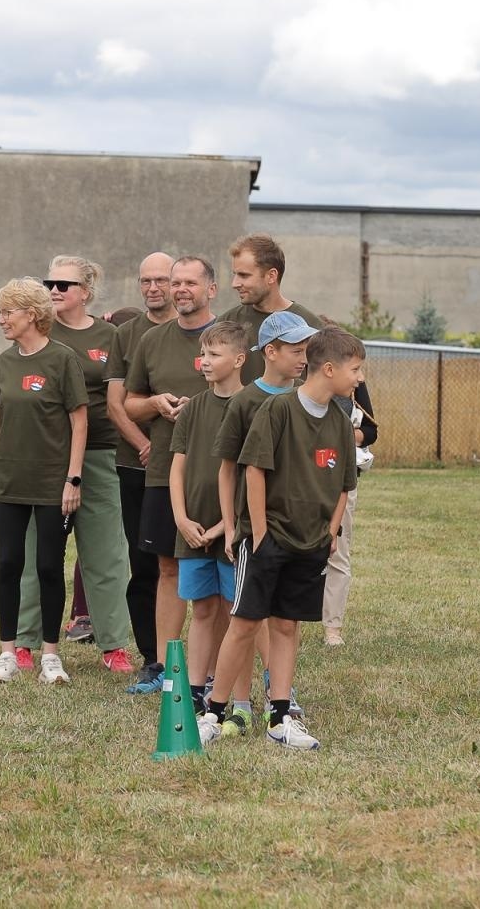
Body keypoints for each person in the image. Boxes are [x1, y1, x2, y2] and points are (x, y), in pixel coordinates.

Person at [202, 326, 363, 750]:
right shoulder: (277, 411)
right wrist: (258, 532)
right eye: (355, 369)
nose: (360, 378)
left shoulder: (341, 421)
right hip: (266, 541)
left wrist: (329, 533)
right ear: (328, 368)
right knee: (245, 623)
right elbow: (253, 469)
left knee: (287, 627)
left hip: (311, 545)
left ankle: (280, 719)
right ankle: (213, 715)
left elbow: (345, 484)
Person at [10, 257, 135, 674]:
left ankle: (114, 644)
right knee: (35, 553)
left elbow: (123, 392)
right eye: (50, 282)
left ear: (86, 290)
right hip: (44, 458)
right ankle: (26, 642)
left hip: (99, 453)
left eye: (65, 283)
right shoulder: (35, 334)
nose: (56, 289)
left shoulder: (110, 335)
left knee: (106, 554)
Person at [211, 310, 317, 732]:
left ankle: (281, 699)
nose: (303, 359)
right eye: (296, 350)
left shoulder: (310, 400)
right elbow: (227, 469)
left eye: (307, 351)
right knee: (247, 618)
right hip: (255, 531)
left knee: (287, 620)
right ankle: (229, 704)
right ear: (269, 352)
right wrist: (231, 525)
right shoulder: (245, 402)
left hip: (297, 530)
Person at [0, 278, 88, 685]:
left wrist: (72, 478)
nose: (2, 320)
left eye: (7, 312)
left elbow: (80, 422)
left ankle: (50, 656)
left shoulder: (63, 360)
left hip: (52, 483)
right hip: (9, 480)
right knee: (8, 564)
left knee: (47, 565)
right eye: (0, 312)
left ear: (32, 314)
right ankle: (7, 653)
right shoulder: (5, 362)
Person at [121, 255, 219, 694]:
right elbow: (129, 403)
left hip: (218, 474)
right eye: (175, 282)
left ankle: (209, 669)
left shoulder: (230, 341)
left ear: (210, 290)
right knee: (166, 567)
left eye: (189, 283)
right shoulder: (152, 340)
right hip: (164, 471)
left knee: (218, 571)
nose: (180, 289)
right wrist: (157, 404)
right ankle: (162, 666)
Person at [168, 320, 246, 711]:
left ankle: (229, 691)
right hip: (193, 529)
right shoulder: (194, 407)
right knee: (201, 610)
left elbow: (250, 478)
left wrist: (223, 527)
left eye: (214, 355)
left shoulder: (253, 406)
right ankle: (195, 690)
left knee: (237, 613)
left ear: (238, 359)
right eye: (203, 354)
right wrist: (181, 518)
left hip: (233, 533)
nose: (205, 361)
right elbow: (177, 467)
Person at [106, 253, 175, 682]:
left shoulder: (200, 332)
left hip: (189, 467)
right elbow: (115, 403)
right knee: (144, 562)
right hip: (135, 466)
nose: (153, 288)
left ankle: (201, 658)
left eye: (161, 280)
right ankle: (153, 659)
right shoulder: (126, 334)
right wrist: (144, 445)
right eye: (145, 280)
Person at [219, 233, 321, 385]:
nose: (235, 283)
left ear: (271, 276)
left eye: (244, 275)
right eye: (235, 275)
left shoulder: (311, 327)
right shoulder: (225, 324)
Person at [323, 373, 377, 647]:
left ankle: (333, 628)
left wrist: (342, 434)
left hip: (342, 477)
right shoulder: (301, 380)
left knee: (338, 552)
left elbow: (371, 431)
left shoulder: (355, 384)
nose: (359, 375)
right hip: (302, 478)